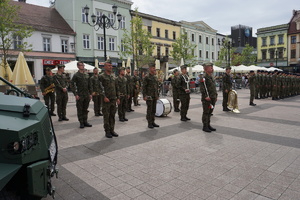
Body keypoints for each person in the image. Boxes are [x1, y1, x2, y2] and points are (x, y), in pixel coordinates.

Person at [99, 60, 120, 138]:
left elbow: (116, 87)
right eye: (109, 66)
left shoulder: (113, 76)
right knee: (106, 116)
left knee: (112, 115)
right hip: (106, 100)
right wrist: (104, 97)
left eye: (111, 66)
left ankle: (112, 130)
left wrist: (118, 97)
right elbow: (99, 88)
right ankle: (107, 131)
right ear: (105, 67)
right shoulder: (101, 76)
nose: (110, 67)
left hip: (113, 99)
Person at [70, 61, 92, 128]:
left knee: (85, 109)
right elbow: (72, 84)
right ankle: (81, 122)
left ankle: (85, 121)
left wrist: (90, 93)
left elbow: (90, 85)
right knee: (80, 109)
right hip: (80, 94)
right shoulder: (76, 75)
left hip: (86, 94)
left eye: (83, 65)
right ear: (78, 66)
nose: (83, 66)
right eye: (81, 65)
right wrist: (75, 94)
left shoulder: (87, 74)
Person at [199, 62, 218, 132]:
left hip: (212, 97)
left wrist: (215, 96)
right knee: (206, 112)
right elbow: (202, 88)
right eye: (211, 67)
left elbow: (213, 87)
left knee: (210, 112)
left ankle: (208, 124)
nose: (212, 69)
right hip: (207, 98)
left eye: (212, 67)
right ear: (206, 69)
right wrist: (205, 96)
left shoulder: (211, 76)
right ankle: (205, 126)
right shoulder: (203, 77)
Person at [142, 63, 160, 129]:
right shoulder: (147, 77)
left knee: (153, 110)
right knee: (149, 110)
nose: (154, 69)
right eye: (153, 68)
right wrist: (144, 95)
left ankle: (153, 121)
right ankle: (149, 123)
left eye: (154, 68)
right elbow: (144, 87)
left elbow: (156, 87)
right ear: (150, 69)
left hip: (154, 96)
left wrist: (157, 95)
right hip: (149, 96)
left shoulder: (155, 77)